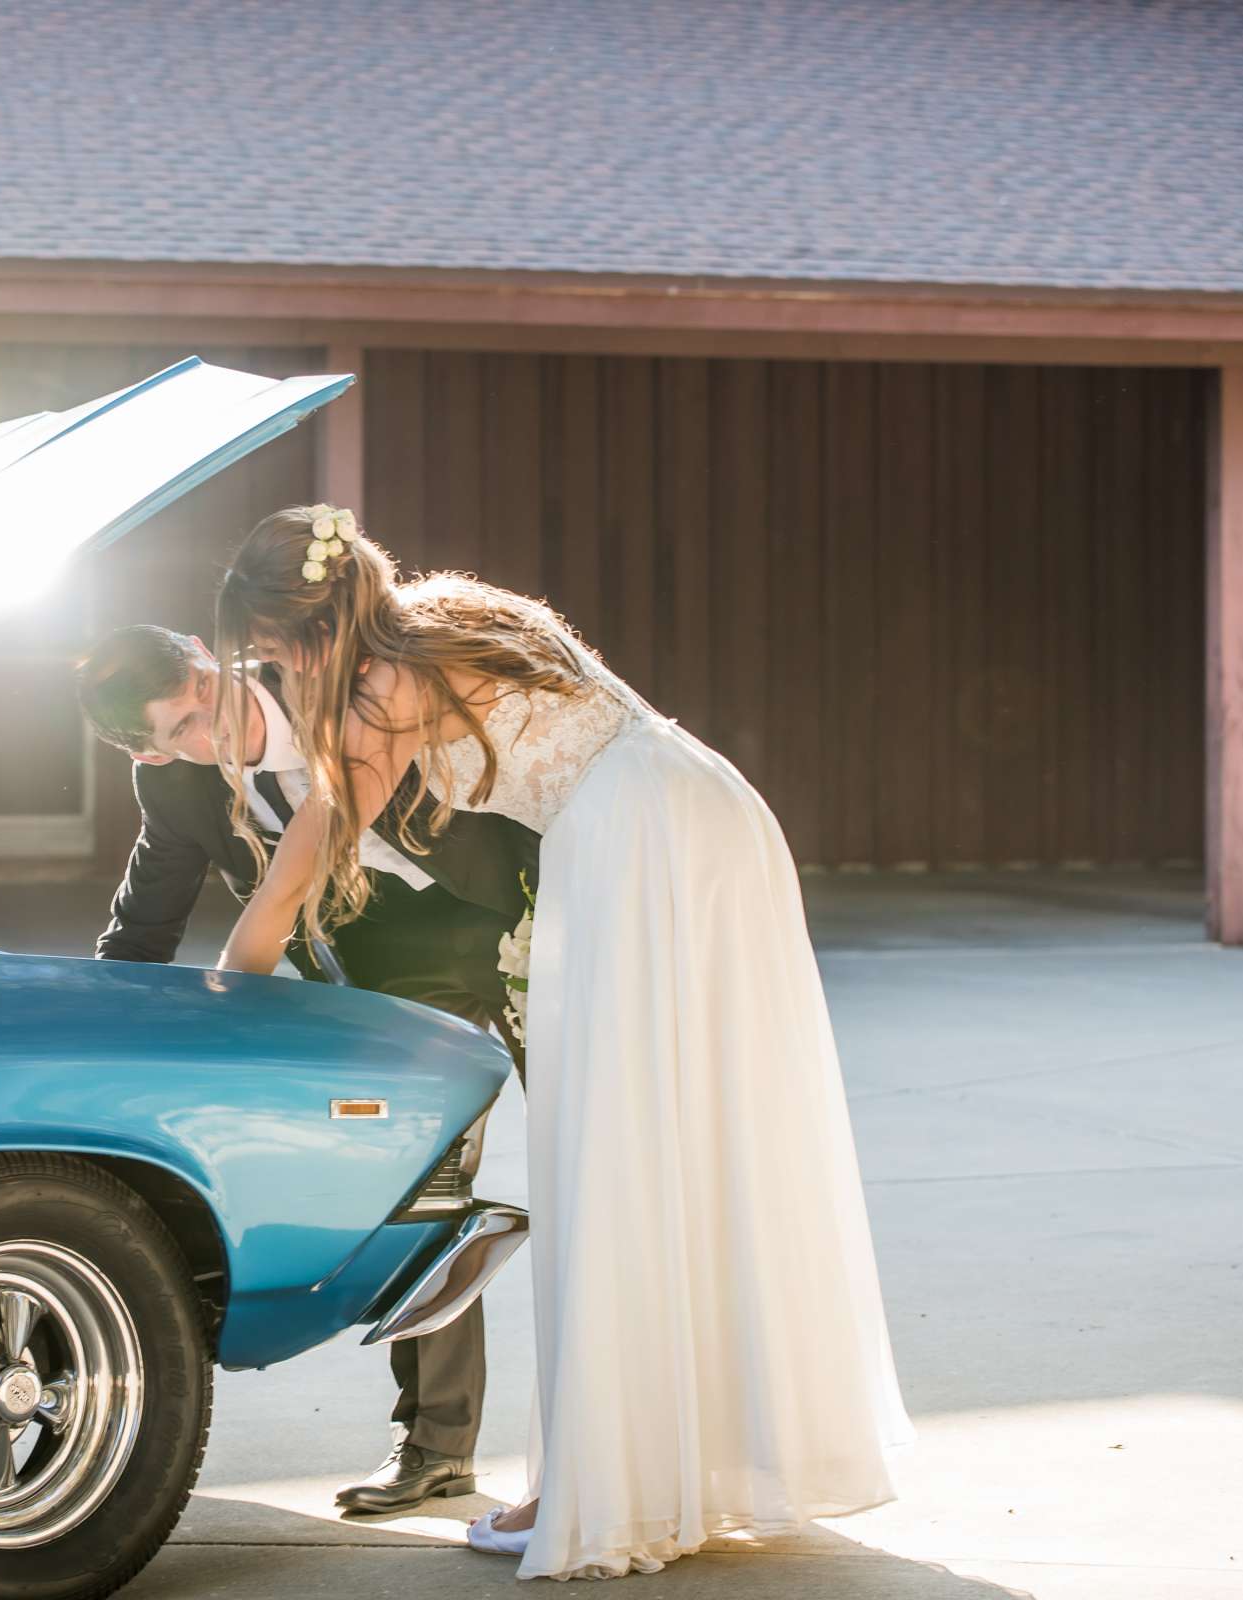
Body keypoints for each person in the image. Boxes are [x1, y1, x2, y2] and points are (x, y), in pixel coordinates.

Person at [211, 506, 911, 1580]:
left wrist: (222, 995)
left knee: (610, 1158)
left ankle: (608, 1486)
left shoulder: (374, 697)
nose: (270, 671)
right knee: (700, 1136)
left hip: (631, 844)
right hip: (706, 804)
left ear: (302, 633)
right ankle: (691, 1456)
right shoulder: (452, 611)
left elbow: (292, 877)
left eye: (268, 651)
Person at [76, 622, 537, 1516]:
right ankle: (439, 1445)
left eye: (208, 698)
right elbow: (144, 924)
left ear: (213, 662)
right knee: (422, 1188)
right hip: (388, 968)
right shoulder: (170, 789)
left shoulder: (333, 687)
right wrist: (96, 1027)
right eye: (182, 733)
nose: (216, 732)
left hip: (515, 913)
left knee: (608, 1153)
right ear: (150, 752)